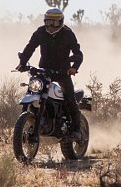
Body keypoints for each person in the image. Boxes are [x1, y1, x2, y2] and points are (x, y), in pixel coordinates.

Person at [16, 8, 84, 140]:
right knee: (32, 91)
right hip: (44, 70)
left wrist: (74, 67)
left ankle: (77, 129)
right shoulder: (41, 32)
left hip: (62, 72)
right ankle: (27, 124)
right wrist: (22, 62)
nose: (51, 26)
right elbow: (30, 47)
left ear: (61, 22)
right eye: (48, 22)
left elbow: (78, 53)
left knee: (69, 97)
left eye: (54, 23)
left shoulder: (68, 34)